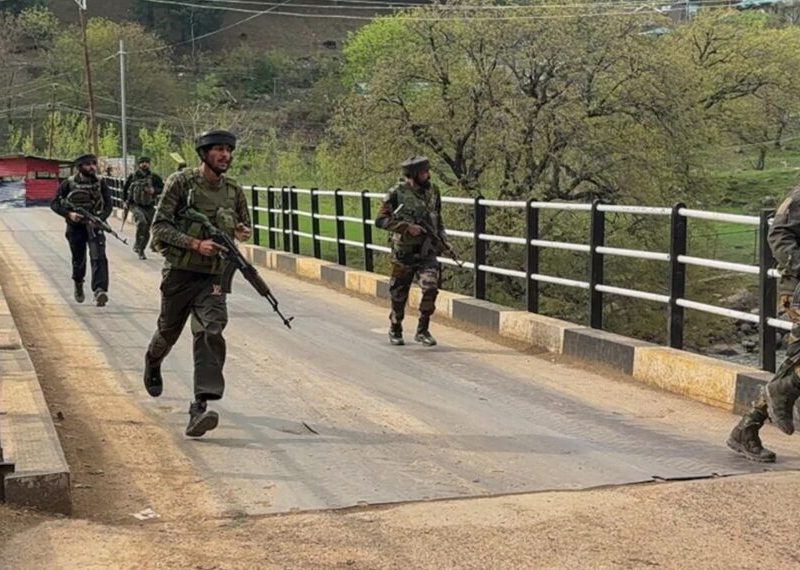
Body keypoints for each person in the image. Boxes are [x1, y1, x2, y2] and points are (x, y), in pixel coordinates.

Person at [143, 129, 252, 438]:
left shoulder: (233, 190)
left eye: (229, 150)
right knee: (169, 331)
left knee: (210, 331)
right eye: (219, 150)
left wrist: (243, 232)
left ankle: (200, 407)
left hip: (214, 276)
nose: (226, 156)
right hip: (180, 272)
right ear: (204, 154)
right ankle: (153, 361)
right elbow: (160, 226)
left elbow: (246, 224)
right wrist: (194, 243)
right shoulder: (182, 184)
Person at [728, 184, 800, 463]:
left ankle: (746, 428)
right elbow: (779, 234)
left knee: (792, 365)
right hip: (797, 292)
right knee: (793, 366)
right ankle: (755, 419)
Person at [375, 155, 449, 347]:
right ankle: (395, 327)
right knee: (399, 295)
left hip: (427, 252)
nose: (428, 175)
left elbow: (438, 219)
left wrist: (444, 241)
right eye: (424, 172)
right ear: (414, 175)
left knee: (431, 288)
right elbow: (380, 221)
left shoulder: (433, 191)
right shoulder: (396, 193)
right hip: (404, 254)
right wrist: (406, 227)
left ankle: (423, 330)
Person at [50, 154, 112, 307]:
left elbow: (109, 205)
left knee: (99, 257)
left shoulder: (100, 183)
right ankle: (78, 282)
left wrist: (100, 219)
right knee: (79, 260)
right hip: (76, 228)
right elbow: (55, 204)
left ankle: (99, 290)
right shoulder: (68, 184)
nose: (92, 167)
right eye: (88, 164)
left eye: (94, 164)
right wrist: (69, 214)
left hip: (95, 226)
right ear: (80, 167)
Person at [123, 156, 164, 260]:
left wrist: (154, 191)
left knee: (148, 228)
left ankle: (141, 249)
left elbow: (163, 188)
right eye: (142, 162)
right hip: (135, 205)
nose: (145, 164)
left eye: (147, 162)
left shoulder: (154, 177)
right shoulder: (133, 176)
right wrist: (124, 202)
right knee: (142, 222)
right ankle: (138, 244)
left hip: (149, 206)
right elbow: (125, 189)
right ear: (139, 164)